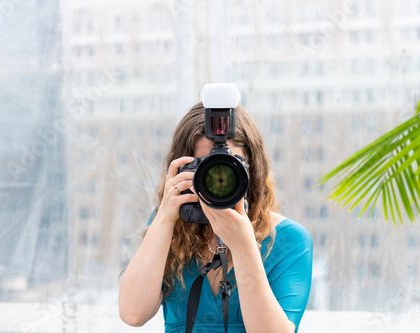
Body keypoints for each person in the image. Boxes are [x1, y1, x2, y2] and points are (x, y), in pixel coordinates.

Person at [119, 102, 313, 333]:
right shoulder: (168, 225)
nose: (218, 179)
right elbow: (133, 313)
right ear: (182, 170)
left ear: (252, 171)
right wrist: (165, 216)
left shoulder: (289, 239)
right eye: (204, 168)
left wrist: (243, 246)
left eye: (229, 167)